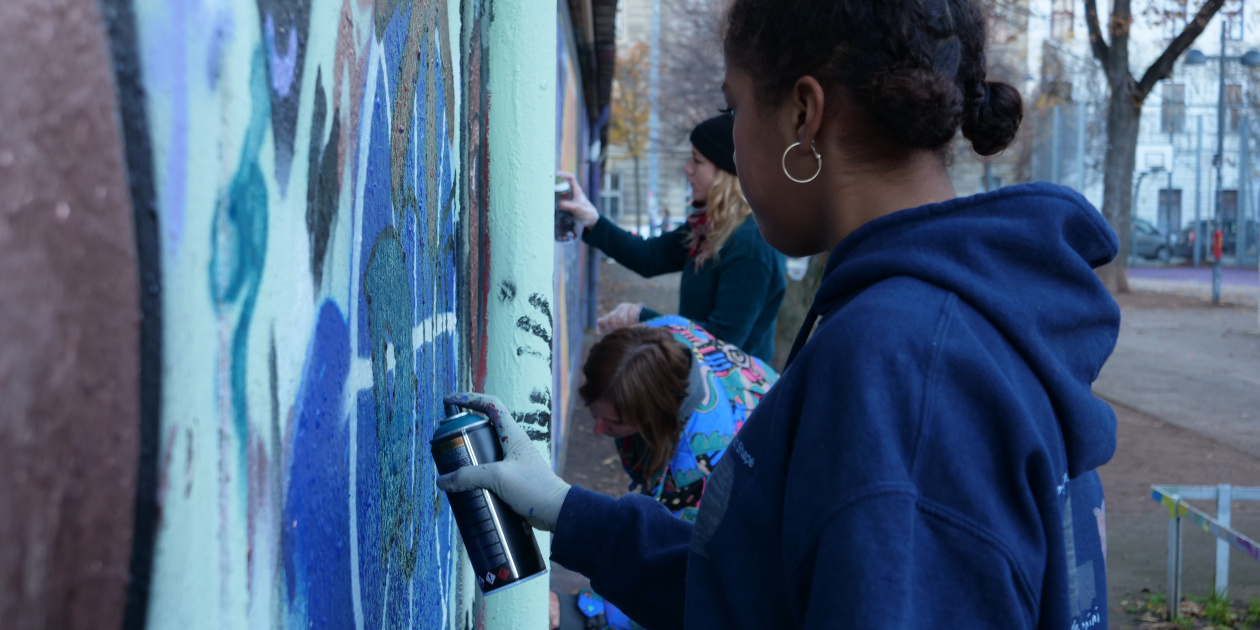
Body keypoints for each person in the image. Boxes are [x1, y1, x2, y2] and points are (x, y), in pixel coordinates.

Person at [441, 0, 1119, 628]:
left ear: (803, 114)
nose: (733, 147)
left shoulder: (900, 368)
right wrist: (566, 509)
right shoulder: (935, 325)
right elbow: (761, 591)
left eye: (733, 107)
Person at [553, 316, 779, 628]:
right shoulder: (665, 334)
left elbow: (677, 575)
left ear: (653, 418)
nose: (597, 429)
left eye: (613, 421)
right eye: (594, 411)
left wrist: (586, 610)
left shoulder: (694, 472)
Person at [559, 114, 786, 364]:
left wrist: (643, 318)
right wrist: (590, 218)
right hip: (703, 378)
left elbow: (721, 342)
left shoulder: (751, 246)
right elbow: (649, 256)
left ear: (726, 173)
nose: (687, 168)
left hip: (735, 387)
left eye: (697, 161)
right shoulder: (708, 226)